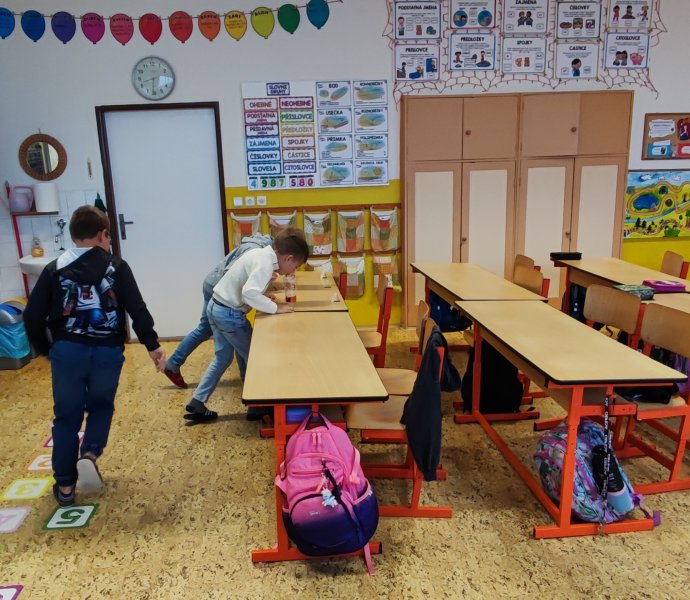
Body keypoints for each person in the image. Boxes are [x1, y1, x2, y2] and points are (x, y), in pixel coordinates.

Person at [23, 206, 166, 507]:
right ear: (102, 235)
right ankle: (89, 453)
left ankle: (65, 486)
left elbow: (32, 316)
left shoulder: (54, 268)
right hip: (107, 351)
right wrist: (152, 345)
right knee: (101, 406)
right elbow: (137, 308)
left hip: (68, 351)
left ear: (74, 235)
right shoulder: (117, 267)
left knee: (66, 417)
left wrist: (47, 350)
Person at [183, 227, 309, 423]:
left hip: (216, 306)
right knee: (255, 357)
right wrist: (275, 307)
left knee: (223, 358)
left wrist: (262, 295)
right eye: (295, 266)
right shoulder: (265, 263)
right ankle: (257, 405)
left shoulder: (260, 254)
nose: (293, 271)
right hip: (229, 314)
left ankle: (197, 401)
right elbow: (249, 293)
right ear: (288, 258)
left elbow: (246, 285)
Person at [163, 233, 272, 389]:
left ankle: (174, 363)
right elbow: (232, 274)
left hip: (213, 285)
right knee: (211, 329)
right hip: (217, 289)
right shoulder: (256, 250)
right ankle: (173, 364)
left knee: (220, 330)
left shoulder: (257, 246)